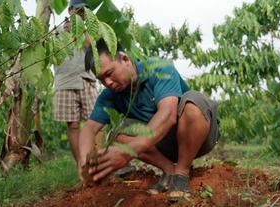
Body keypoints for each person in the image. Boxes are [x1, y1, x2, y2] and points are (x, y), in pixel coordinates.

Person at [78, 39, 220, 199]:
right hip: (162, 145)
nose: (107, 83)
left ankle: (181, 173)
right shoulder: (109, 96)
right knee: (118, 134)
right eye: (101, 80)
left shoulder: (159, 68)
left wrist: (126, 153)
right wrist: (84, 162)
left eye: (109, 74)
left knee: (193, 103)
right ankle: (169, 170)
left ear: (125, 59)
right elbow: (89, 129)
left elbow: (168, 114)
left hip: (197, 137)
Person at [53, 0, 98, 164]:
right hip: (65, 81)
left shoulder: (90, 31)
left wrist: (79, 34)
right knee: (72, 126)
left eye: (84, 11)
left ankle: (97, 161)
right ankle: (81, 165)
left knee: (96, 122)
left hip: (87, 80)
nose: (81, 13)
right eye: (78, 10)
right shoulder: (57, 30)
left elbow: (95, 50)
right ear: (70, 9)